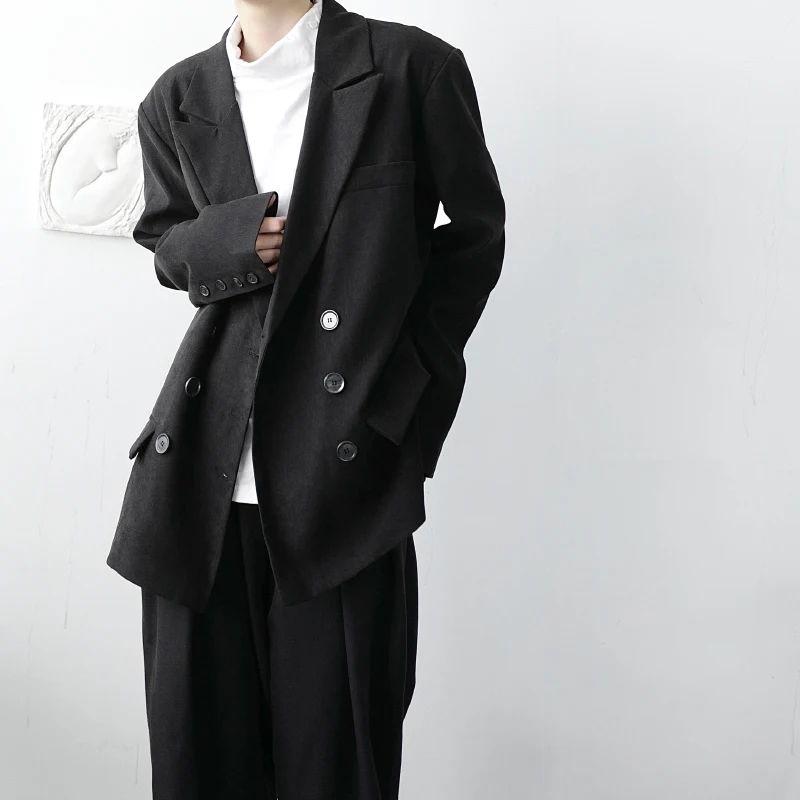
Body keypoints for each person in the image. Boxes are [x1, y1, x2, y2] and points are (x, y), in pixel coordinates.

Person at [107, 0, 506, 797]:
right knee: (198, 770)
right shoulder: (177, 96)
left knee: (337, 771)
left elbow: (475, 238)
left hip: (344, 492)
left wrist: (398, 410)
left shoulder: (411, 69)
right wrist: (229, 240)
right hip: (196, 492)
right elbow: (163, 240)